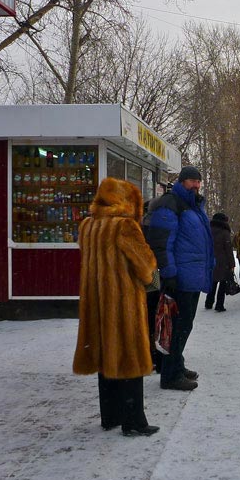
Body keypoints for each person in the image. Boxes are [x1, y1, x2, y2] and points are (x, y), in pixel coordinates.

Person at [73, 177, 160, 437]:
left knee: (105, 356)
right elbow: (145, 265)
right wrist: (149, 272)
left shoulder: (88, 226)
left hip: (97, 302)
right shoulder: (125, 226)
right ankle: (134, 421)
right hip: (123, 303)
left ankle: (110, 416)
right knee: (130, 358)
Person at [145, 166, 214, 391]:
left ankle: (176, 364)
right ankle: (170, 376)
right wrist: (169, 273)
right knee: (177, 327)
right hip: (179, 276)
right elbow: (162, 243)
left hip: (191, 275)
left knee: (184, 325)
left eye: (198, 181)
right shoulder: (171, 204)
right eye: (192, 181)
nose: (196, 185)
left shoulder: (193, 206)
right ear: (182, 182)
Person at [204, 212, 235, 312]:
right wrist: (232, 263)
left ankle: (208, 302)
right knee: (222, 283)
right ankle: (219, 305)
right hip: (223, 262)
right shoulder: (225, 232)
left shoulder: (208, 231)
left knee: (213, 282)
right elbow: (228, 249)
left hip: (211, 260)